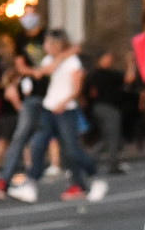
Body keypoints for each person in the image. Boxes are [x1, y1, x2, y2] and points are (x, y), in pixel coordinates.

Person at [0, 45, 55, 202]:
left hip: (34, 107)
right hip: (32, 108)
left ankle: (11, 178)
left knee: (22, 140)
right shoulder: (25, 77)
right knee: (29, 141)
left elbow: (24, 93)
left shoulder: (32, 74)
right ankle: (18, 178)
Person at [41, 30, 105, 203]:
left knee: (72, 149)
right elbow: (45, 71)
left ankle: (95, 174)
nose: (45, 46)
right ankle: (77, 183)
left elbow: (77, 89)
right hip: (50, 108)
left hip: (66, 109)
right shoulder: (50, 60)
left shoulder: (73, 62)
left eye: (48, 43)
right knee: (62, 149)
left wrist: (64, 102)